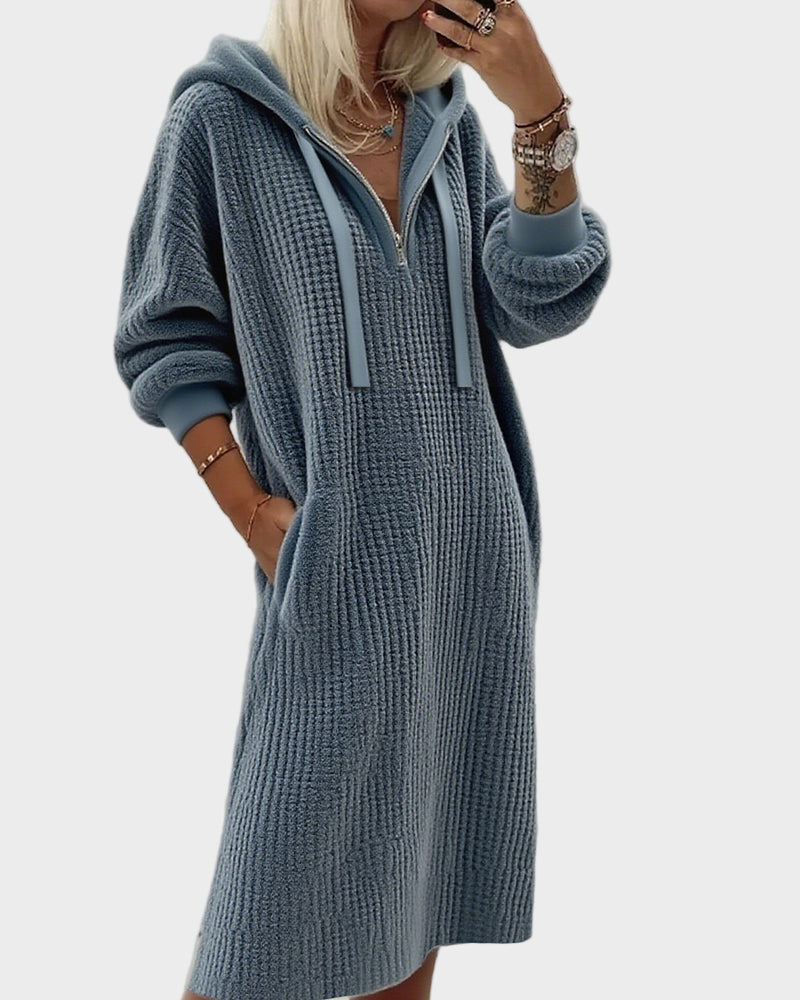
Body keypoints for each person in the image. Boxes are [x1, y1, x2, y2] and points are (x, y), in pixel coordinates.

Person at [113, 2, 611, 999]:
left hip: (468, 567)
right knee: (257, 936)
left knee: (414, 901)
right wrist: (249, 511)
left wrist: (539, 114)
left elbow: (533, 299)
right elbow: (166, 330)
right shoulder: (222, 117)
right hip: (334, 570)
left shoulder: (442, 118)